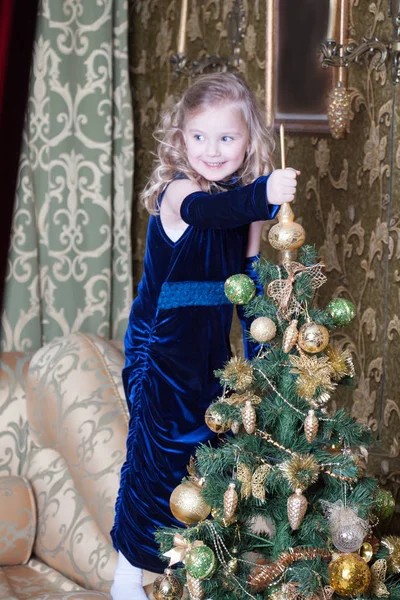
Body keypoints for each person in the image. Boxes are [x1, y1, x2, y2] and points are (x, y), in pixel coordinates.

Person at [110, 72, 299, 600]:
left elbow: (249, 288)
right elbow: (210, 214)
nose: (212, 151)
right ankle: (127, 575)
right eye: (199, 137)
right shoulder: (180, 192)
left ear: (249, 140)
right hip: (161, 348)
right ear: (180, 139)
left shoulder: (247, 208)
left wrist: (265, 366)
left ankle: (191, 577)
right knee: (161, 457)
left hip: (212, 355)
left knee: (212, 459)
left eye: (226, 138)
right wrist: (265, 193)